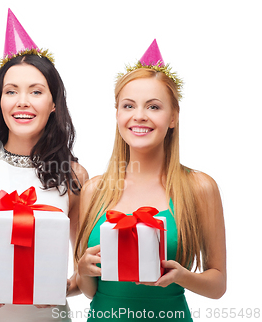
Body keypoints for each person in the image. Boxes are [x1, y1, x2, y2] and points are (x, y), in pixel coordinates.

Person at [0, 9, 88, 322]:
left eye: (36, 91)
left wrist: (62, 287)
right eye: (11, 91)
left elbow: (83, 268)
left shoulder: (74, 175)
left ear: (53, 104)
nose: (22, 101)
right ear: (0, 100)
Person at [75, 40, 226, 321]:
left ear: (173, 117)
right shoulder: (94, 189)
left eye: (154, 107)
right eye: (128, 106)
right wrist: (83, 270)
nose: (139, 116)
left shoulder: (199, 187)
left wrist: (182, 276)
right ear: (118, 114)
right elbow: (89, 291)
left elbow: (218, 285)